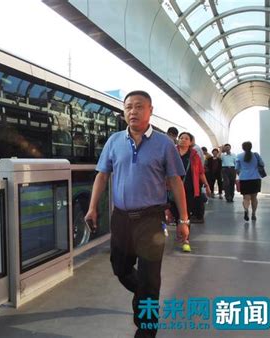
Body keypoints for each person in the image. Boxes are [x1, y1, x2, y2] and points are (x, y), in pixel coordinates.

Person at [84, 90, 188, 338]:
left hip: (151, 219)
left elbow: (175, 182)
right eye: (128, 107)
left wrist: (184, 220)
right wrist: (92, 207)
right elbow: (102, 175)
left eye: (139, 106)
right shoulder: (114, 141)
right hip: (121, 217)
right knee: (120, 267)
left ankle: (146, 327)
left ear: (150, 110)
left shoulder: (164, 144)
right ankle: (144, 295)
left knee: (150, 277)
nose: (133, 111)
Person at [170, 132, 211, 243]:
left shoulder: (194, 155)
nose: (183, 140)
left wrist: (207, 186)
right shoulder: (171, 153)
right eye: (181, 138)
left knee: (186, 213)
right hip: (172, 188)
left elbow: (201, 172)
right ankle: (181, 230)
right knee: (175, 212)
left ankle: (185, 238)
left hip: (189, 189)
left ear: (191, 142)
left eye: (186, 138)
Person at [236, 141, 265, 221]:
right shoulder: (256, 155)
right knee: (254, 198)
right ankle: (254, 214)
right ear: (251, 147)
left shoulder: (239, 156)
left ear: (242, 148)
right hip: (255, 178)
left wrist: (241, 174)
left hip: (244, 179)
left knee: (246, 198)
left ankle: (246, 210)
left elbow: (237, 168)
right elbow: (262, 164)